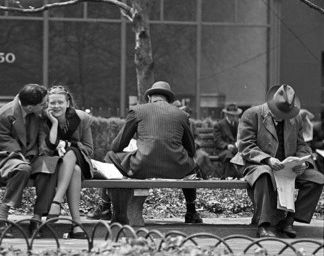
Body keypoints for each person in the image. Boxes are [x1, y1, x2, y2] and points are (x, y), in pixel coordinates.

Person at [231, 84, 324, 238]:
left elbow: (302, 145)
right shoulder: (251, 114)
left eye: (285, 114)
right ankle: (264, 225)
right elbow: (245, 146)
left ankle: (289, 221)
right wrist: (267, 159)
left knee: (317, 179)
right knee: (264, 174)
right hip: (256, 163)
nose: (281, 117)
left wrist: (302, 163)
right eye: (277, 112)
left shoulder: (296, 117)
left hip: (286, 166)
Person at [104, 81, 203, 225]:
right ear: (168, 100)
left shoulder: (138, 111)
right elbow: (191, 150)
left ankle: (105, 206)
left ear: (150, 97)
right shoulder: (182, 115)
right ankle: (191, 212)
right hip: (177, 168)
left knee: (109, 156)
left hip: (142, 166)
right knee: (192, 165)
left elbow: (118, 145)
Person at [0, 84, 48, 237]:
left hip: (25, 157)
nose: (45, 106)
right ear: (28, 107)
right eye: (42, 104)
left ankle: (37, 218)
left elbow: (36, 141)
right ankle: (2, 216)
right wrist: (22, 157)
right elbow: (4, 142)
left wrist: (32, 155)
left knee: (50, 167)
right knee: (23, 169)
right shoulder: (3, 115)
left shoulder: (37, 114)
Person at [32, 85, 94, 238]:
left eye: (60, 102)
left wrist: (68, 144)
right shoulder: (43, 120)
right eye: (52, 103)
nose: (56, 106)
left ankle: (56, 201)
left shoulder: (81, 118)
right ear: (47, 104)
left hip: (79, 159)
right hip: (54, 164)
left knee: (72, 153)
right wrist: (53, 123)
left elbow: (89, 149)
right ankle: (77, 224)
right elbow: (45, 151)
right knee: (75, 171)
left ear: (68, 103)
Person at [214, 103, 242, 178]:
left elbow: (241, 137)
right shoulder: (219, 125)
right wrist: (227, 146)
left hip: (236, 148)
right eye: (233, 115)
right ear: (228, 115)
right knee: (228, 155)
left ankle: (239, 176)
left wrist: (238, 143)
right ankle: (229, 178)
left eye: (236, 115)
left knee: (244, 154)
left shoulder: (239, 124)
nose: (236, 117)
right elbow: (218, 141)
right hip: (223, 150)